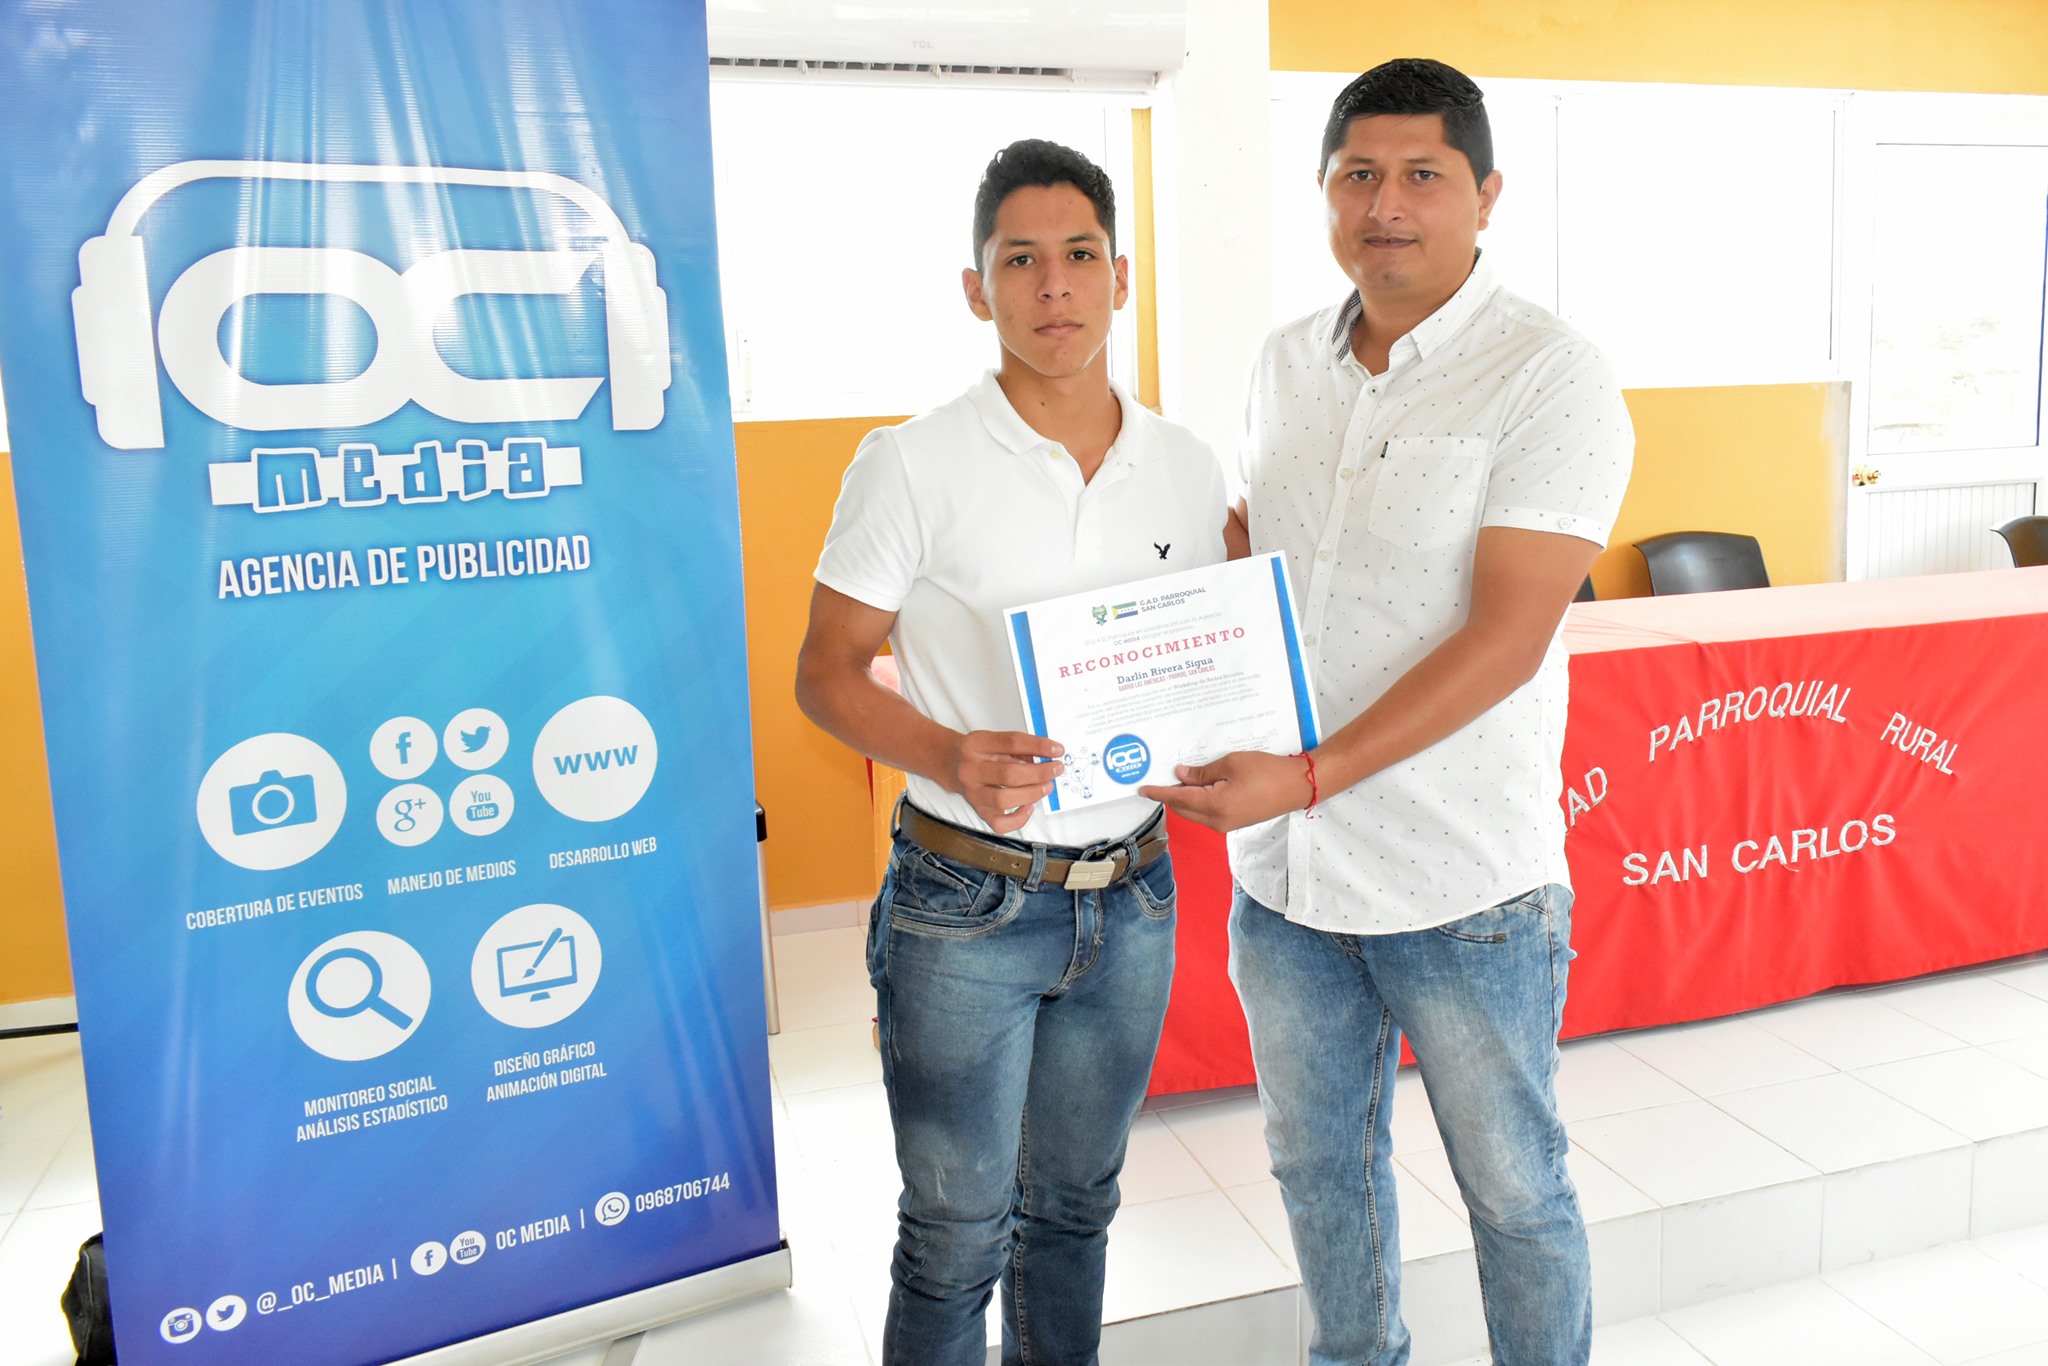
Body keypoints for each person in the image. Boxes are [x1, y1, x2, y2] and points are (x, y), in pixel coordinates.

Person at [1142, 59, 1634, 1366]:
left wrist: (1308, 772)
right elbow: (1276, 574)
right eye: (1358, 174)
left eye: (1423, 174)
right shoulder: (1281, 365)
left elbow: (1507, 637)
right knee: (1319, 1172)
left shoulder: (1550, 374)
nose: (1386, 204)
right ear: (1323, 191)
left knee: (1515, 1193)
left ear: (1486, 194)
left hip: (1461, 879)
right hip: (1288, 881)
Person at [795, 138, 1233, 1366]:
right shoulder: (910, 461)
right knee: (953, 1235)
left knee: (1076, 1210)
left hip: (1131, 892)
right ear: (975, 288)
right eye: (1020, 260)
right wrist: (949, 750)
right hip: (964, 901)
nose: (1054, 286)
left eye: (1080, 255)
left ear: (1120, 277)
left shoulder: (1184, 465)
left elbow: (1198, 654)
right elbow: (824, 672)